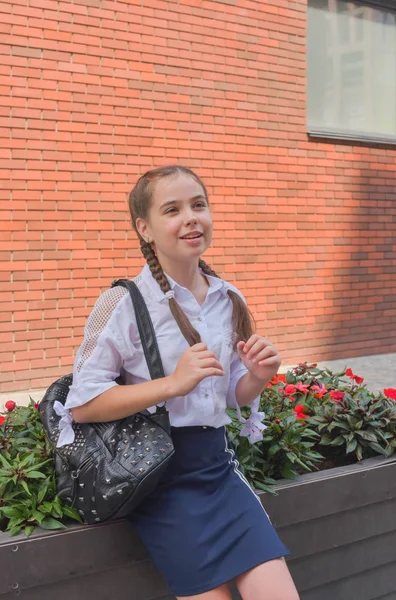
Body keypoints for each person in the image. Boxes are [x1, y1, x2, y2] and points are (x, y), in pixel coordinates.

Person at [63, 166, 299, 600]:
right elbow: (83, 404)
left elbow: (228, 394)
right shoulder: (122, 302)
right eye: (172, 209)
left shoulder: (229, 298)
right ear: (145, 228)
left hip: (219, 469)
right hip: (162, 480)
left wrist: (258, 379)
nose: (191, 218)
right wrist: (172, 384)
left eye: (198, 205)